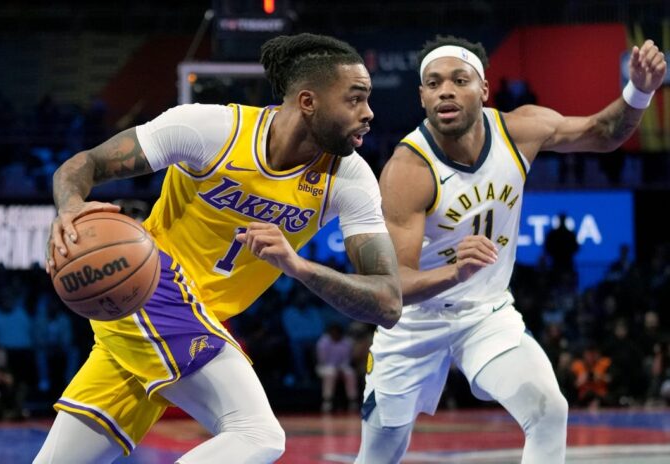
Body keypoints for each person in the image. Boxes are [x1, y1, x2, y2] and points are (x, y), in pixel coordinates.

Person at [36, 33, 402, 464]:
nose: (368, 113)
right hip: (149, 285)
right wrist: (71, 207)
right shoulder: (213, 129)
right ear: (308, 101)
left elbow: (388, 301)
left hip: (187, 317)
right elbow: (86, 164)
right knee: (258, 434)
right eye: (355, 99)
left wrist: (298, 266)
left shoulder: (350, 179)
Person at [356, 34, 666, 464]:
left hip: (486, 315)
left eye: (459, 80)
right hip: (414, 324)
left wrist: (640, 90)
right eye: (434, 83)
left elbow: (604, 132)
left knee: (549, 411)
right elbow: (393, 287)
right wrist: (455, 273)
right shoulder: (407, 170)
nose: (445, 90)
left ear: (483, 89)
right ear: (422, 96)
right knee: (380, 454)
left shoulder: (519, 129)